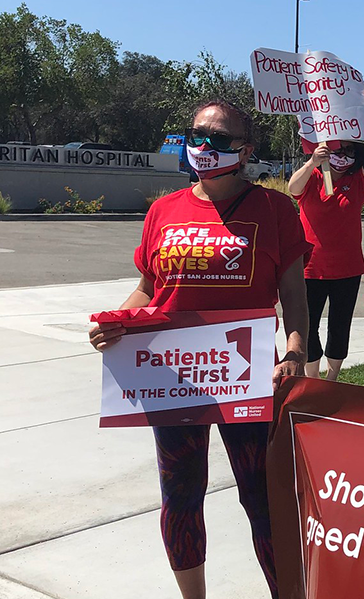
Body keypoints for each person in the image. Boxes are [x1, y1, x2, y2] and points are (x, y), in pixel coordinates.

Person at [87, 99, 310, 599]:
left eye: (218, 139)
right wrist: (117, 323)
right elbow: (149, 288)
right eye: (196, 134)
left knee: (265, 500)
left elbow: (295, 295)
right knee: (181, 497)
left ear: (245, 150)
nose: (203, 146)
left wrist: (295, 351)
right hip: (173, 377)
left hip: (247, 377)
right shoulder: (164, 209)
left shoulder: (275, 209)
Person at [288, 90, 364, 382]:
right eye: (336, 152)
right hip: (309, 268)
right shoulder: (313, 178)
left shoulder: (358, 184)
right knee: (308, 325)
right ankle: (313, 376)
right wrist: (312, 162)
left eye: (347, 152)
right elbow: (293, 189)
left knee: (340, 325)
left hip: (347, 269)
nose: (342, 158)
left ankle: (332, 377)